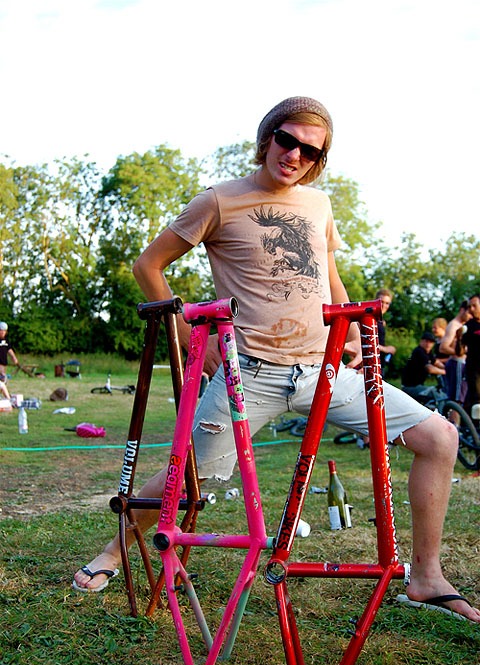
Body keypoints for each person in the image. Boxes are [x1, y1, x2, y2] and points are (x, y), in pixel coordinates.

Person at [73, 96, 479, 623]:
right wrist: (193, 337)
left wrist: (353, 333)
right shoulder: (218, 201)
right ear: (267, 138)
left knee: (440, 437)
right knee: (189, 478)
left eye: (311, 151)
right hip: (249, 373)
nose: (295, 155)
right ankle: (113, 552)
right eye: (287, 140)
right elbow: (148, 266)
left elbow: (329, 278)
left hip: (323, 370)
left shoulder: (319, 205)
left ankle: (425, 577)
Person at [439, 301, 471, 405]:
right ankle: (453, 417)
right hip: (457, 364)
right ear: (462, 310)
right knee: (457, 400)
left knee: (462, 398)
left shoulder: (462, 325)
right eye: (469, 312)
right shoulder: (454, 325)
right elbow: (443, 348)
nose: (471, 316)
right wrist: (461, 352)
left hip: (461, 365)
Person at [401, 331, 446, 402]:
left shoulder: (428, 352)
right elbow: (430, 369)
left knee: (438, 393)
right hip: (410, 387)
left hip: (417, 386)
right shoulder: (419, 351)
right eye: (426, 341)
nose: (428, 344)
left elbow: (436, 362)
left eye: (431, 342)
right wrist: (445, 372)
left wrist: (446, 368)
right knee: (437, 395)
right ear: (421, 341)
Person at [463, 293, 480, 416]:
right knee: (476, 402)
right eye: (469, 307)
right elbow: (460, 351)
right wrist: (459, 338)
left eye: (474, 306)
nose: (471, 309)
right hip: (475, 370)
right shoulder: (468, 326)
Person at [375, 288, 396, 375]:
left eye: (387, 303)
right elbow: (364, 342)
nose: (384, 306)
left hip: (380, 364)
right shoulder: (369, 319)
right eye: (381, 302)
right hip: (370, 365)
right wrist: (386, 349)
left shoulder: (381, 321)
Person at [0, 321, 19, 395]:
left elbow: (9, 349)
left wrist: (14, 357)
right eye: (1, 331)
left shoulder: (6, 340)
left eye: (4, 331)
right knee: (2, 378)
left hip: (4, 363)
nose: (2, 332)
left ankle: (3, 395)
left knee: (3, 381)